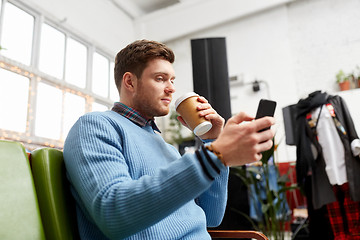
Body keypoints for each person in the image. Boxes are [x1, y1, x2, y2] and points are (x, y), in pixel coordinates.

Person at [63, 39, 275, 240]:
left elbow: (211, 217)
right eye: (160, 78)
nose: (172, 88)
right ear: (130, 82)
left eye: (172, 80)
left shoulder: (167, 148)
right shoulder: (95, 126)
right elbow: (114, 213)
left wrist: (211, 141)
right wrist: (217, 155)